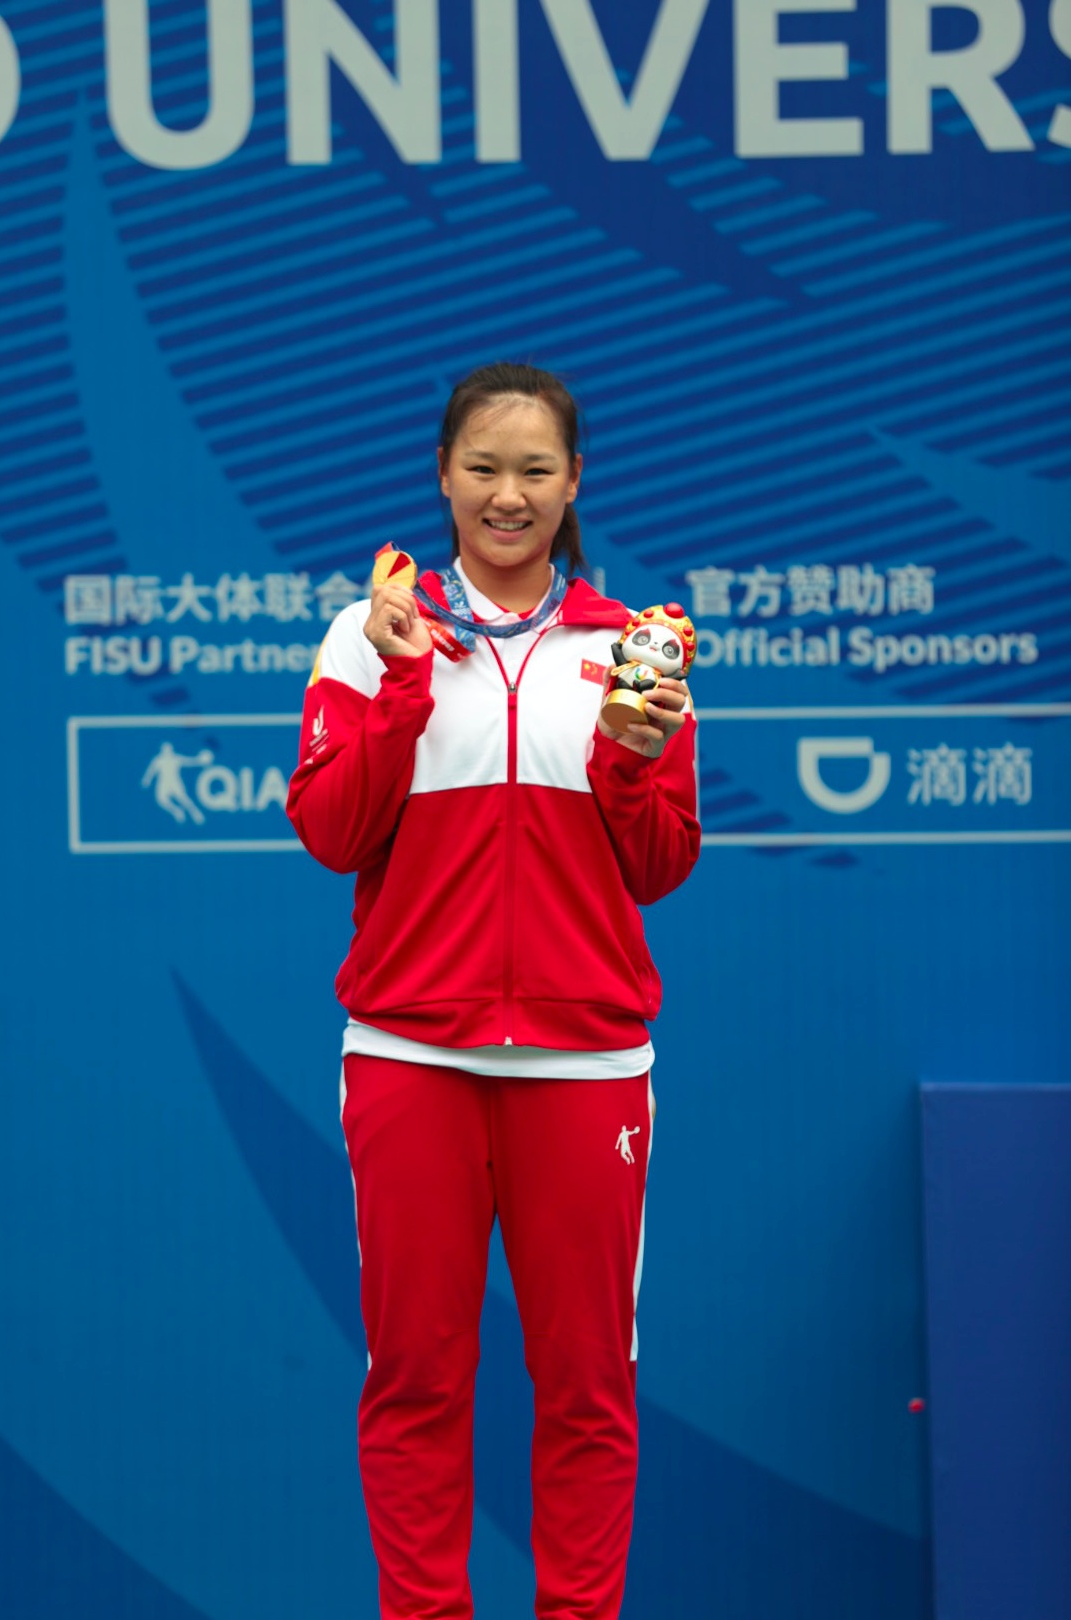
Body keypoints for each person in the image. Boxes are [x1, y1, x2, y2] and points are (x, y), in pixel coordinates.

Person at [287, 361, 700, 1620]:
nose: (506, 495)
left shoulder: (635, 652)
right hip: (410, 1057)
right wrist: (402, 686)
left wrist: (632, 763)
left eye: (534, 470)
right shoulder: (367, 636)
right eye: (482, 468)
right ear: (443, 476)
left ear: (574, 482)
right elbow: (333, 833)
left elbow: (659, 866)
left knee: (589, 1389)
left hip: (587, 1068)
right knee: (415, 1383)